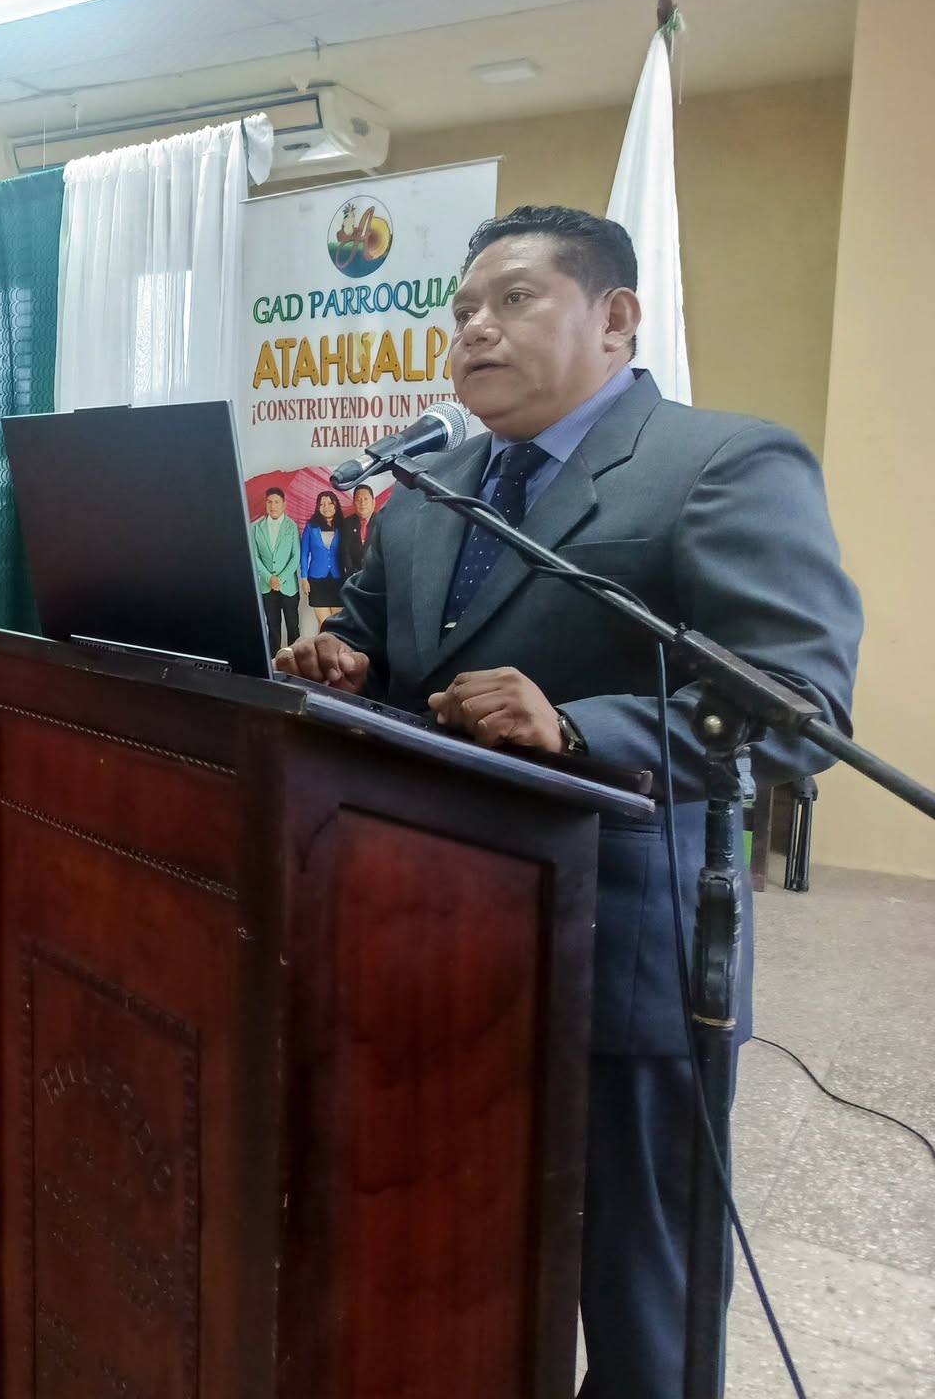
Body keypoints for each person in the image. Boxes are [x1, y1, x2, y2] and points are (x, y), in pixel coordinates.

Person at [275, 205, 860, 1397]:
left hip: (623, 946)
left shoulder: (717, 463)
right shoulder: (427, 488)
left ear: (614, 317)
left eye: (512, 300)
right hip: (421, 928)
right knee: (451, 1242)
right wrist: (340, 660)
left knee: (640, 1287)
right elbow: (378, 646)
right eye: (460, 312)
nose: (473, 329)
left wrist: (580, 727)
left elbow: (799, 705)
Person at [251, 487, 300, 651]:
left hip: (288, 586)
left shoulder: (291, 526)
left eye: (277, 502)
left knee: (293, 627)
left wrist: (280, 578)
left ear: (284, 504)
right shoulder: (257, 528)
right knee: (272, 628)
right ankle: (273, 661)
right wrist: (269, 578)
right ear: (266, 504)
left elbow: (296, 557)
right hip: (267, 587)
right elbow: (255, 556)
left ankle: (295, 660)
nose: (273, 506)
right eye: (269, 502)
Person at [299, 489, 345, 624]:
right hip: (317, 581)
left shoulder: (343, 526)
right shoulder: (311, 527)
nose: (326, 507)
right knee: (324, 623)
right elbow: (304, 553)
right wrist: (304, 578)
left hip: (339, 579)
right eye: (322, 504)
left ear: (336, 506)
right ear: (317, 507)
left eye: (330, 503)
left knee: (338, 622)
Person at [338, 484, 378, 579]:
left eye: (365, 499)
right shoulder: (347, 523)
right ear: (353, 503)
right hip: (353, 577)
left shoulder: (382, 521)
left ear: (373, 502)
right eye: (358, 500)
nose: (362, 503)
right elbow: (345, 550)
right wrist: (352, 573)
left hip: (376, 576)